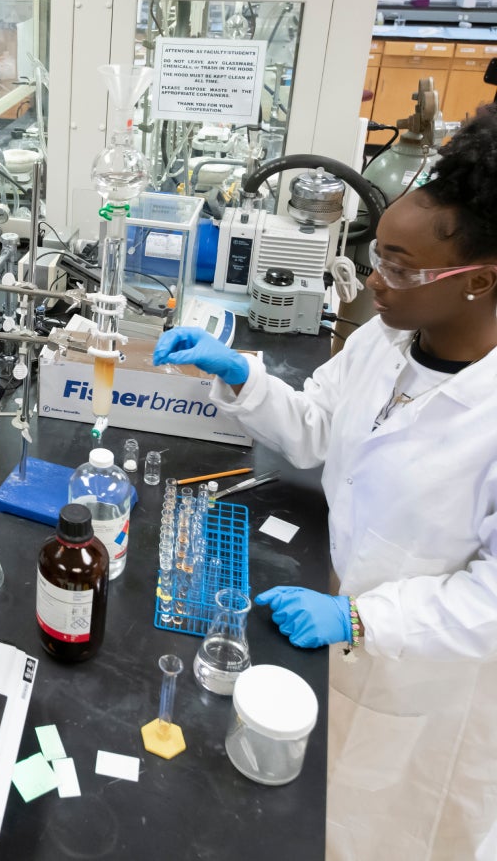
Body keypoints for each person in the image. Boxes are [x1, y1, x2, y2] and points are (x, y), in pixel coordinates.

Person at [153, 105, 497, 860]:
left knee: (394, 834)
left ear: (480, 282)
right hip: (340, 626)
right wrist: (241, 373)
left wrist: (364, 620)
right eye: (379, 255)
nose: (377, 281)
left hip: (430, 683)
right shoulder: (388, 337)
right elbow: (316, 425)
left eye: (402, 267)